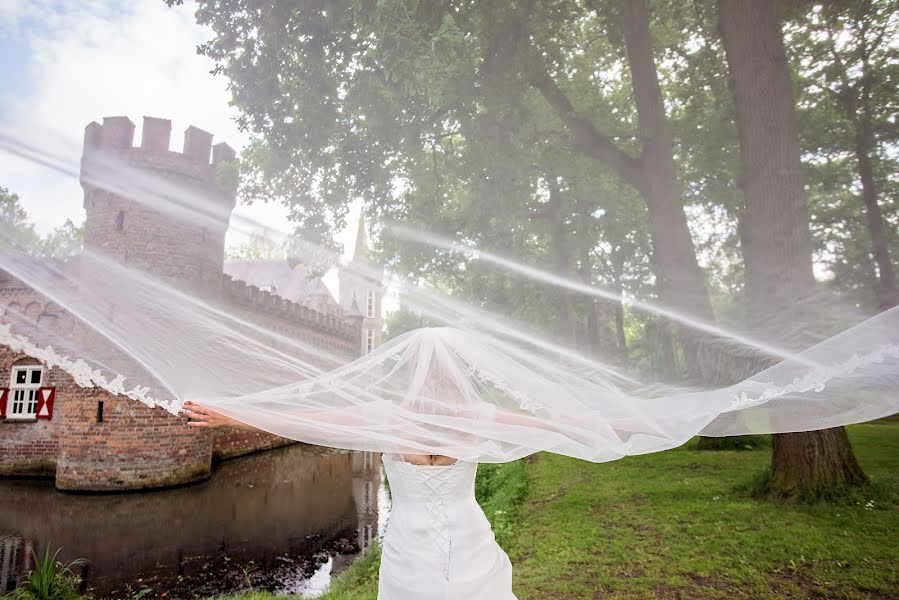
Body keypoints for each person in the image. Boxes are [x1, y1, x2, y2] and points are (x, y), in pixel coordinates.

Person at [182, 399, 519, 600]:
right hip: (465, 533)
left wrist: (230, 417)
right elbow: (548, 425)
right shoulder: (474, 417)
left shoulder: (388, 416)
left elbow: (305, 421)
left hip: (410, 540)